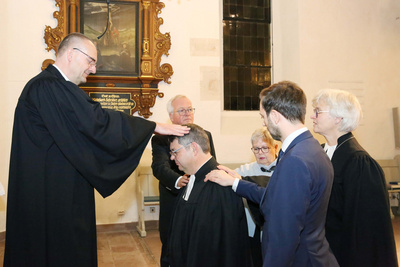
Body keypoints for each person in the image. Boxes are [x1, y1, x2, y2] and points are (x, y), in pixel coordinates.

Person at [4, 32, 188, 267]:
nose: (92, 69)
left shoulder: (50, 86)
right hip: (50, 198)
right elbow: (95, 122)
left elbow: (84, 127)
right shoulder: (49, 86)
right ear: (71, 54)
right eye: (91, 61)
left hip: (55, 189)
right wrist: (153, 126)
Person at [206, 81, 339, 267]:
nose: (263, 123)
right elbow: (279, 200)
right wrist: (236, 183)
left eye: (263, 117)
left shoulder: (296, 160)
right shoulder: (311, 148)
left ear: (275, 116)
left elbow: (284, 233)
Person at [311, 89, 398, 267]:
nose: (312, 116)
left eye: (318, 111)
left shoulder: (358, 162)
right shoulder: (320, 153)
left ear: (338, 118)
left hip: (345, 256)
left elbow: (365, 230)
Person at [167, 123, 251, 267]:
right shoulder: (193, 178)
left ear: (193, 148)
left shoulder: (219, 183)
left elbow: (219, 248)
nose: (172, 158)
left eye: (175, 152)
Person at [151, 95, 216, 267]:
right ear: (171, 116)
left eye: (190, 109)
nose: (187, 113)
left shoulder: (205, 135)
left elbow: (210, 163)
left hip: (201, 200)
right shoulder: (160, 138)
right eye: (182, 110)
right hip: (174, 198)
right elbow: (159, 167)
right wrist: (178, 179)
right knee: (171, 248)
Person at [235, 127, 278, 267]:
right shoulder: (246, 170)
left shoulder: (285, 167)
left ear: (275, 147)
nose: (260, 153)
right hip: (252, 230)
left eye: (265, 148)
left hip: (277, 232)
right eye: (256, 149)